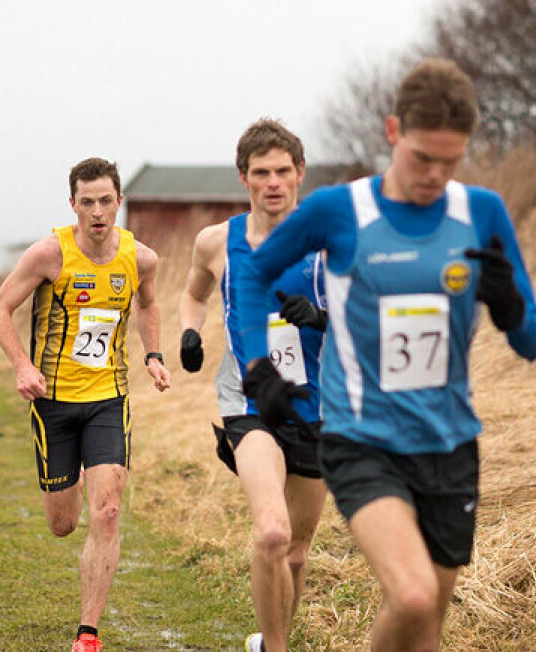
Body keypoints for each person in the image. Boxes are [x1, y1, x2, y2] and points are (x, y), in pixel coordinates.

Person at [236, 59, 536, 652]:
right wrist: (258, 364)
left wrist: (509, 307)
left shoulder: (480, 213)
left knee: (424, 623)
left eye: (450, 161)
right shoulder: (339, 210)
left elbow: (533, 341)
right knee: (411, 595)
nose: (435, 175)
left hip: (451, 445)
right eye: (423, 157)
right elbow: (253, 273)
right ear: (393, 131)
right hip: (362, 440)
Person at [0, 157, 171, 652]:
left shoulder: (141, 259)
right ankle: (73, 486)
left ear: (119, 202)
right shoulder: (49, 254)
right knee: (63, 524)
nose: (97, 211)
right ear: (73, 204)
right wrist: (23, 367)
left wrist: (153, 355)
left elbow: (149, 303)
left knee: (108, 512)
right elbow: (0, 310)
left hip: (109, 399)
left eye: (105, 201)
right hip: (54, 403)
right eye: (86, 202)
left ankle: (87, 634)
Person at [178, 119, 328, 652]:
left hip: (316, 408)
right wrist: (190, 331)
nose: (273, 182)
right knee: (270, 532)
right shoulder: (217, 242)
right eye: (261, 172)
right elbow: (194, 294)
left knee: (297, 552)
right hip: (248, 403)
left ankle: (269, 640)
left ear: (299, 174)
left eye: (282, 171)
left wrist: (321, 317)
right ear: (244, 177)